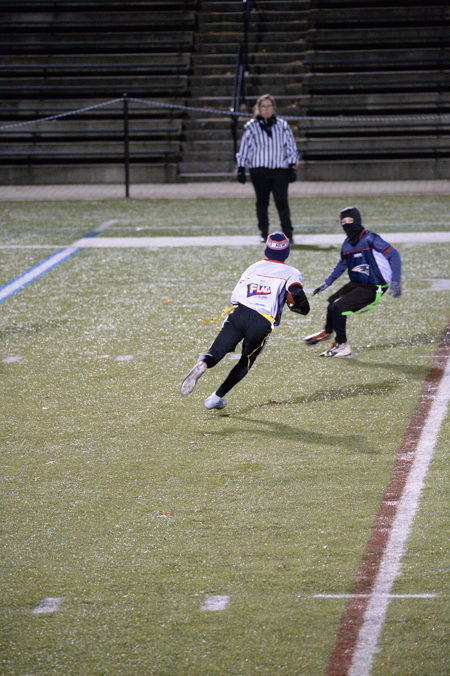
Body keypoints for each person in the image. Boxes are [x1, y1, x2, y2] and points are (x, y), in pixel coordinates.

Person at [180, 232, 310, 409]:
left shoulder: (254, 266)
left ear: (267, 249)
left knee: (216, 351)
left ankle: (204, 363)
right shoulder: (292, 272)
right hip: (261, 321)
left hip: (239, 313)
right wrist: (302, 307)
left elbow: (235, 295)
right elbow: (295, 292)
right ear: (286, 252)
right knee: (246, 360)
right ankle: (215, 398)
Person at [304, 206, 402, 358]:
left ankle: (342, 346)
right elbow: (342, 265)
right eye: (343, 222)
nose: (346, 224)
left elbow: (393, 255)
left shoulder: (370, 238)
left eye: (349, 220)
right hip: (358, 283)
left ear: (357, 220)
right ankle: (328, 332)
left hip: (374, 286)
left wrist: (396, 281)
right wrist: (327, 282)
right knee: (331, 303)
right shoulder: (347, 244)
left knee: (339, 307)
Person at [236, 94, 299, 243]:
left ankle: (288, 233)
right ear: (258, 108)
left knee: (282, 202)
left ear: (273, 108)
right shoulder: (251, 126)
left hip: (280, 169)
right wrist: (241, 167)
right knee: (262, 203)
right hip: (259, 170)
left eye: (269, 106)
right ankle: (264, 233)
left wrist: (292, 166)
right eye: (263, 106)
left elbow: (291, 146)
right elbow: (245, 148)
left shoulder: (283, 125)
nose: (266, 109)